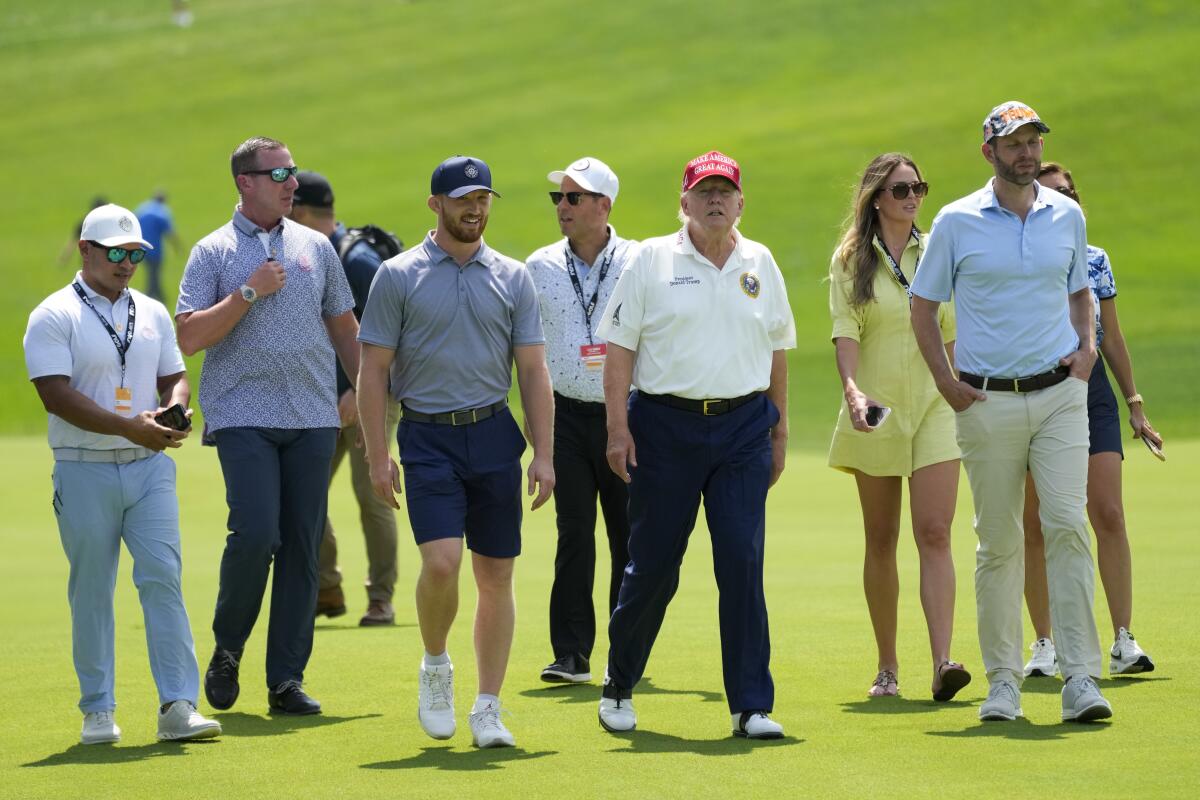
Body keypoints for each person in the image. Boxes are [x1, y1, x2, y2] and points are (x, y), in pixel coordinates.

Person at [911, 101, 1112, 723]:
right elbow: (923, 305)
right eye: (1014, 142)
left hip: (1059, 394)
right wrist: (945, 382)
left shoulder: (1067, 216)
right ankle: (1003, 684)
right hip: (986, 398)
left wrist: (1086, 351)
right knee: (997, 543)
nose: (1026, 151)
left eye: (1033, 140)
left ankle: (1080, 677)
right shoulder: (955, 221)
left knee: (1067, 526)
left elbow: (1081, 290)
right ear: (989, 152)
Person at [595, 150, 795, 739]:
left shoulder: (760, 261)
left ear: (740, 202)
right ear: (683, 201)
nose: (715, 200)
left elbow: (778, 348)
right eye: (703, 191)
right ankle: (619, 683)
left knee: (741, 560)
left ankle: (751, 705)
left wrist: (778, 429)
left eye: (725, 192)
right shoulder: (651, 260)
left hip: (742, 429)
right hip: (664, 425)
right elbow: (620, 350)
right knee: (655, 564)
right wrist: (616, 428)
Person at [357, 155, 555, 748]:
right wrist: (376, 453)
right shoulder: (397, 275)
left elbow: (533, 370)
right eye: (462, 198)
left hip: (494, 433)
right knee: (442, 563)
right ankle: (436, 665)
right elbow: (373, 371)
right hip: (427, 436)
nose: (475, 208)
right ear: (435, 204)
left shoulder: (514, 276)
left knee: (496, 574)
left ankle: (488, 707)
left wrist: (543, 453)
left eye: (483, 198)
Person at [175, 137, 360, 717]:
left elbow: (344, 326)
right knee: (257, 535)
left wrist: (365, 388)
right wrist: (250, 291)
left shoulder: (316, 246)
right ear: (244, 182)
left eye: (293, 171)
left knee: (303, 546)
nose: (290, 182)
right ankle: (229, 648)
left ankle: (285, 679)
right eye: (278, 173)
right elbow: (190, 336)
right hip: (242, 414)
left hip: (312, 415)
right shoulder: (211, 251)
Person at [24, 203, 221, 744]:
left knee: (163, 581)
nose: (127, 262)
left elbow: (176, 375)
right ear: (86, 249)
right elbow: (54, 394)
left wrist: (173, 408)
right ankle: (98, 709)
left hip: (149, 467)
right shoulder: (54, 314)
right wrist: (126, 426)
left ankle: (178, 705)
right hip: (83, 467)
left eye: (135, 253)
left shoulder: (153, 311)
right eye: (116, 252)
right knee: (92, 589)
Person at [827, 153, 971, 701]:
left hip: (937, 407)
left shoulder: (938, 250)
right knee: (881, 538)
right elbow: (847, 333)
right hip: (877, 410)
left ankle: (942, 662)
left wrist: (963, 391)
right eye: (901, 188)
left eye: (919, 187)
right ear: (877, 198)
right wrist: (852, 390)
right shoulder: (850, 260)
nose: (913, 197)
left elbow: (952, 328)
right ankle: (887, 667)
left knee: (935, 532)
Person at [1021, 162, 1161, 678]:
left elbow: (1113, 338)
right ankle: (1044, 642)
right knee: (1035, 521)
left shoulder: (1096, 260)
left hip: (1091, 388)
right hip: (1038, 387)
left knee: (1108, 512)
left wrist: (1135, 403)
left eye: (1068, 192)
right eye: (1051, 193)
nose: (1062, 199)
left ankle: (1123, 638)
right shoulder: (1025, 257)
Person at [526, 157, 635, 684]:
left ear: (604, 206)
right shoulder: (539, 266)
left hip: (628, 417)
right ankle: (570, 653)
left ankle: (625, 650)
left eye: (574, 198)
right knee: (574, 533)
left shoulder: (638, 262)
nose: (563, 207)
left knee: (627, 537)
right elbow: (524, 350)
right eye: (559, 198)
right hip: (564, 416)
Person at [288, 170, 400, 627]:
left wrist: (359, 388)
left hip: (369, 396)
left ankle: (381, 598)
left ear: (302, 212)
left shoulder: (356, 261)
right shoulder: (309, 254)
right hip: (321, 400)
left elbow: (395, 331)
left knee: (371, 491)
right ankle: (328, 588)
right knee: (302, 494)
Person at [134, 191, 183, 302]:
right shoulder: (162, 212)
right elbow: (170, 233)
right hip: (155, 249)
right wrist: (178, 248)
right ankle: (151, 296)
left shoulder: (142, 208)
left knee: (153, 274)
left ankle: (158, 296)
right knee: (154, 274)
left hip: (140, 247)